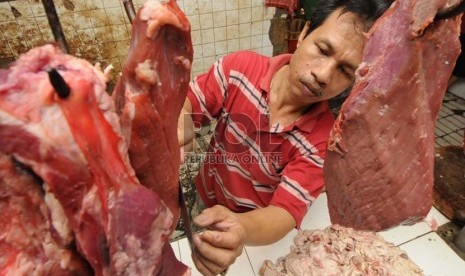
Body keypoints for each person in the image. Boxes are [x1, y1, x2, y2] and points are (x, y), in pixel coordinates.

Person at [177, 0, 392, 275]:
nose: (323, 75)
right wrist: (179, 121)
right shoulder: (238, 70)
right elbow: (189, 103)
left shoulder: (322, 140)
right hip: (207, 195)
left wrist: (242, 229)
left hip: (255, 227)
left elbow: (284, 212)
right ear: (302, 34)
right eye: (323, 50)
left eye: (344, 71)